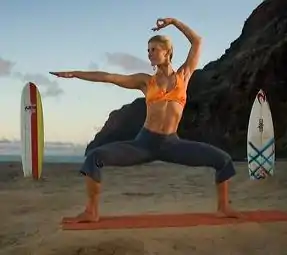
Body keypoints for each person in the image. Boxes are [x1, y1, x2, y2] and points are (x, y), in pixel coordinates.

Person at [50, 17, 241, 223]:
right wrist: (75, 74)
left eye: (154, 49)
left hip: (172, 144)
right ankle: (91, 211)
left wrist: (173, 22)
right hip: (144, 143)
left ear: (167, 52)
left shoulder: (184, 76)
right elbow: (109, 77)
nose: (149, 54)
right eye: (148, 50)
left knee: (223, 159)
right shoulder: (145, 81)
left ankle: (223, 208)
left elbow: (197, 42)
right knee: (95, 157)